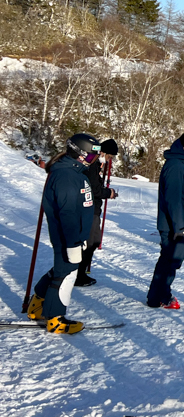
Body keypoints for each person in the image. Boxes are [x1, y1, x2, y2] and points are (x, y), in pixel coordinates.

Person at [25, 133, 102, 333]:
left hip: (75, 234)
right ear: (80, 154)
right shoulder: (67, 176)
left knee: (61, 269)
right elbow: (67, 212)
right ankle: (55, 318)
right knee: (66, 275)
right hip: (68, 235)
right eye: (92, 156)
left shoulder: (74, 172)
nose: (95, 160)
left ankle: (38, 304)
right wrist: (73, 242)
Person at [146, 133, 184, 309]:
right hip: (174, 227)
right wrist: (179, 227)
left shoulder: (181, 166)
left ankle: (160, 295)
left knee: (172, 261)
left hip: (181, 224)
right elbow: (173, 200)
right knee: (169, 262)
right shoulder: (176, 167)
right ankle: (160, 296)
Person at [76, 139, 119, 287]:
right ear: (102, 152)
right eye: (109, 156)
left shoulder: (95, 166)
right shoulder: (91, 166)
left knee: (94, 242)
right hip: (89, 209)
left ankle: (80, 272)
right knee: (90, 243)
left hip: (94, 209)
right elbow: (95, 190)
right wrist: (109, 193)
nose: (109, 160)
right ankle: (78, 274)